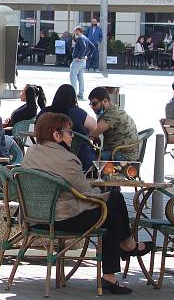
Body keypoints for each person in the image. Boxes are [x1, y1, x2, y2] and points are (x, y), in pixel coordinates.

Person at [21, 112, 151, 294]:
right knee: (113, 201)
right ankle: (125, 249)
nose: (72, 136)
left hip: (35, 217)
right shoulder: (66, 159)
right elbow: (87, 193)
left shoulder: (31, 153)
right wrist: (102, 192)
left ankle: (121, 256)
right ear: (57, 135)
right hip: (62, 218)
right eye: (69, 132)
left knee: (110, 211)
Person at [39, 84, 97, 172]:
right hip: (80, 159)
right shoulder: (77, 112)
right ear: (74, 98)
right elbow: (94, 127)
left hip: (46, 157)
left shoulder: (44, 112)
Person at [87, 86, 139, 160]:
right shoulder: (113, 109)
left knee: (88, 158)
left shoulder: (112, 115)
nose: (92, 107)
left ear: (105, 101)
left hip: (123, 157)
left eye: (94, 104)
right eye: (91, 104)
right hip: (121, 152)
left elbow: (92, 135)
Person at [69, 26, 91, 100]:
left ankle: (73, 95)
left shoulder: (80, 38)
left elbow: (83, 47)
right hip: (83, 61)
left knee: (73, 77)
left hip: (77, 61)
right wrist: (86, 55)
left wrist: (79, 56)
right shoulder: (85, 38)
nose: (74, 33)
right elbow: (93, 47)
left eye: (75, 31)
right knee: (80, 78)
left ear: (78, 31)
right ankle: (81, 94)